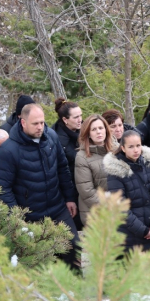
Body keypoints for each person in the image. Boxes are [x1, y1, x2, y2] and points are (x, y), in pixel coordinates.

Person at [0, 104, 80, 272]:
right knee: (41, 260)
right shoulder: (9, 150)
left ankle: (77, 291)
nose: (40, 127)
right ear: (23, 122)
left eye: (42, 122)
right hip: (30, 215)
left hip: (57, 207)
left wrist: (70, 198)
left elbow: (62, 169)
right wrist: (17, 219)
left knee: (74, 246)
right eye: (35, 123)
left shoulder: (52, 137)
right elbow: (3, 189)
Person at [104, 130, 150, 283]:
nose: (136, 150)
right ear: (123, 148)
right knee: (132, 273)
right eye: (131, 147)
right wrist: (143, 230)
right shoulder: (115, 172)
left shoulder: (148, 164)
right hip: (131, 229)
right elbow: (120, 207)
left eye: (138, 145)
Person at [74, 114, 116, 226]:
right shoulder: (82, 156)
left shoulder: (116, 150)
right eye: (94, 129)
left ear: (106, 130)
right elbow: (87, 192)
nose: (98, 132)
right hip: (94, 212)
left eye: (101, 128)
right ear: (88, 134)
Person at [52, 98, 83, 230]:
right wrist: (69, 198)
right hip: (70, 194)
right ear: (65, 120)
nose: (80, 119)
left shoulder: (83, 131)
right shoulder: (57, 139)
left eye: (81, 115)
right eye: (76, 117)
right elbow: (61, 173)